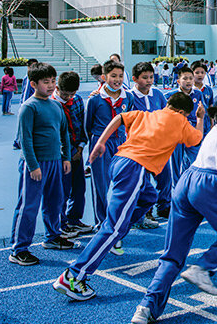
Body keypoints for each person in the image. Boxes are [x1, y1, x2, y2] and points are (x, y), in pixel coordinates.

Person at [129, 91, 217, 324]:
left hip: (186, 182)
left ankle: (146, 307)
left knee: (172, 255)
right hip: (208, 182)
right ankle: (203, 268)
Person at [52, 92, 205, 301]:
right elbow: (197, 139)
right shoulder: (181, 121)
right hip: (135, 168)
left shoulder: (147, 114)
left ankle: (118, 232)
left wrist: (100, 143)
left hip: (119, 161)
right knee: (113, 227)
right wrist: (201, 117)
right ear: (181, 112)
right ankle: (74, 276)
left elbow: (118, 118)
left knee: (149, 196)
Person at [9, 63, 73, 266]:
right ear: (34, 83)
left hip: (55, 161)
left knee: (55, 201)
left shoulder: (56, 105)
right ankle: (19, 249)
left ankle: (52, 237)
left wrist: (66, 158)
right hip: (35, 165)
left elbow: (64, 133)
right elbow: (25, 139)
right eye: (46, 82)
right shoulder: (29, 107)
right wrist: (33, 165)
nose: (52, 86)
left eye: (53, 81)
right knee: (28, 206)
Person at [85, 60, 134, 241]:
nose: (117, 80)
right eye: (113, 76)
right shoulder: (95, 99)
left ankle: (118, 219)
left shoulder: (128, 97)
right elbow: (88, 125)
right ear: (104, 77)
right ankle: (101, 221)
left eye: (121, 76)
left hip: (120, 142)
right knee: (100, 183)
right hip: (101, 142)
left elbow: (129, 119)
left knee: (122, 182)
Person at [129, 61, 169, 227]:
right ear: (135, 79)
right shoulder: (129, 96)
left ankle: (165, 206)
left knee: (165, 177)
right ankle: (146, 212)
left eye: (151, 77)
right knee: (143, 182)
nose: (149, 80)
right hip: (139, 148)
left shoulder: (158, 95)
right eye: (144, 78)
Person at [54, 71, 93, 238]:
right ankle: (61, 223)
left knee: (79, 188)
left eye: (73, 93)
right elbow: (55, 135)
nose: (69, 96)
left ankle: (74, 219)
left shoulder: (76, 100)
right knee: (61, 190)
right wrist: (66, 156)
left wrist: (81, 148)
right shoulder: (52, 104)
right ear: (57, 88)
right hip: (60, 156)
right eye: (65, 93)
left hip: (77, 151)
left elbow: (82, 125)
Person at [165, 65, 205, 187]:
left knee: (195, 157)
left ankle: (191, 183)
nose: (188, 81)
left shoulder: (197, 94)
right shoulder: (170, 95)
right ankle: (176, 187)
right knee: (175, 161)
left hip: (191, 130)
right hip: (175, 131)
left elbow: (202, 112)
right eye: (185, 78)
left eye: (190, 78)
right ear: (178, 81)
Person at [12, 59, 39, 149]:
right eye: (32, 66)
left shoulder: (33, 77)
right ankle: (17, 142)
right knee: (23, 125)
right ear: (28, 67)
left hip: (32, 105)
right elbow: (25, 93)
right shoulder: (28, 78)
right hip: (27, 105)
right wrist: (24, 106)